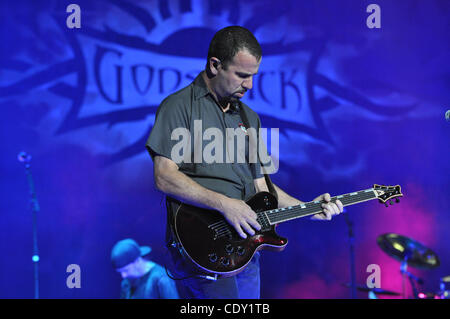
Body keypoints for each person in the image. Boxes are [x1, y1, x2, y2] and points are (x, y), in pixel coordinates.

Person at [145, 26, 343, 299]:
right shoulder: (179, 106)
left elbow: (263, 191)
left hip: (246, 246)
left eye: (253, 76)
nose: (249, 85)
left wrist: (308, 209)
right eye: (241, 75)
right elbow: (164, 176)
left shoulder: (250, 117)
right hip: (203, 242)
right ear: (215, 65)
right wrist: (225, 204)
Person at [110, 238, 179, 299]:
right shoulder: (127, 282)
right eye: (120, 272)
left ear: (137, 261)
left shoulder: (161, 278)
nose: (123, 275)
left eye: (126, 270)